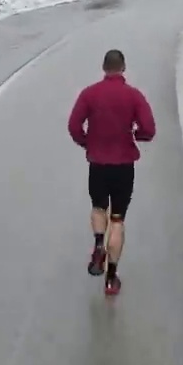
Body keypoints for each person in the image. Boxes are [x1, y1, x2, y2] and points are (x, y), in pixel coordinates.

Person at [67, 48, 156, 296]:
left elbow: (74, 125)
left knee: (97, 207)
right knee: (117, 220)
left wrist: (87, 142)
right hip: (123, 167)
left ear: (104, 68)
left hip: (97, 164)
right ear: (123, 68)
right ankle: (111, 278)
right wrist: (136, 135)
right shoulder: (134, 96)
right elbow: (149, 128)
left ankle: (98, 244)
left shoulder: (89, 94)